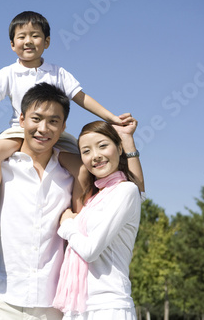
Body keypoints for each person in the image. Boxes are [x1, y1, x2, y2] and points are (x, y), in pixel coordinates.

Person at [0, 83, 140, 319]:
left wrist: (127, 143)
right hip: (1, 299)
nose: (43, 128)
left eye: (53, 121)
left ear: (63, 127)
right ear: (21, 119)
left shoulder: (76, 172)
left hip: (53, 305)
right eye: (36, 118)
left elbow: (130, 191)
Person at [0, 11, 130, 247]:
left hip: (55, 134)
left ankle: (80, 219)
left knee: (83, 169)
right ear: (12, 44)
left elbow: (82, 98)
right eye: (21, 37)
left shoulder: (58, 73)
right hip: (19, 132)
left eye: (35, 36)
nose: (28, 41)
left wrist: (111, 117)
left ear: (47, 42)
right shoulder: (8, 73)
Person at [52, 120, 145, 320]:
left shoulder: (126, 190)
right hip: (77, 309)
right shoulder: (94, 200)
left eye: (103, 146)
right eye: (86, 151)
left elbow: (90, 250)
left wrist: (67, 224)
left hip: (108, 307)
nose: (95, 156)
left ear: (119, 148)